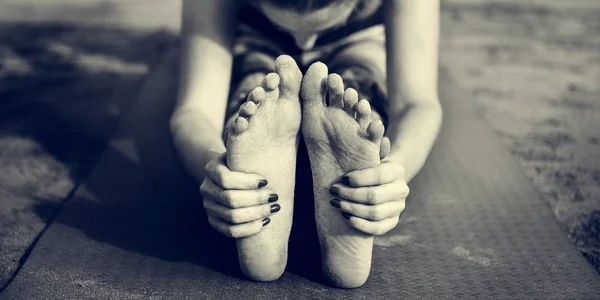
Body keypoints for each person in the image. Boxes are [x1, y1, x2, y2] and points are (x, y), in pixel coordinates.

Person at [169, 0, 442, 288]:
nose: (305, 42)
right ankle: (245, 148)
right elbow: (195, 111)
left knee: (358, 87)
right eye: (287, 22)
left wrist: (392, 173)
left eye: (322, 25)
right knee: (257, 96)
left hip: (359, 39)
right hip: (256, 38)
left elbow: (417, 102)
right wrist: (214, 169)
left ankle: (359, 145)